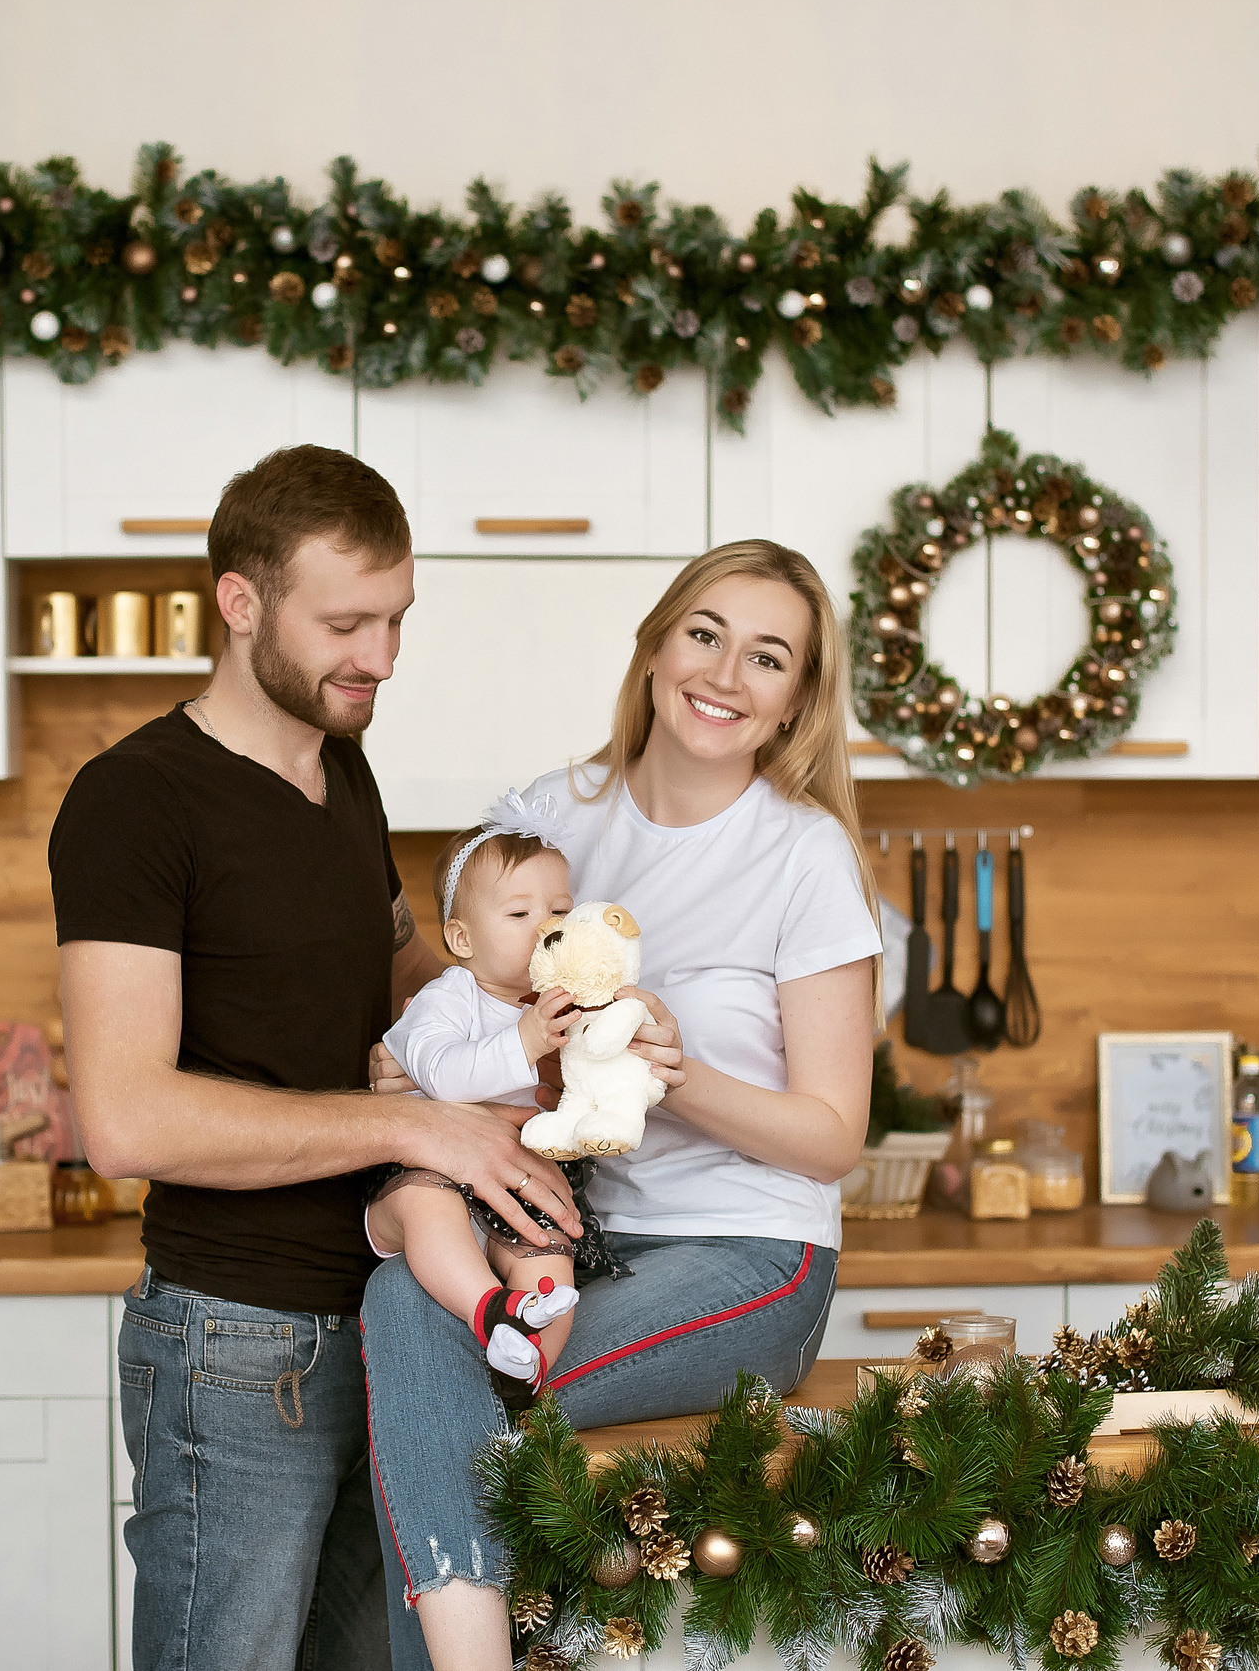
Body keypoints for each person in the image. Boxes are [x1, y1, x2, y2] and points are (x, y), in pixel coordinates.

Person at [50, 444, 583, 1671]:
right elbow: (125, 1118)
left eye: (397, 619)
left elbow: (410, 979)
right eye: (346, 624)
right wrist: (412, 1123)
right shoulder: (135, 801)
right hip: (239, 1345)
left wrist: (551, 1027)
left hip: (389, 1323)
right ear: (240, 602)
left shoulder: (339, 763)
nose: (380, 658)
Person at [360, 538, 882, 1671]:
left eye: (767, 657)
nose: (725, 674)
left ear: (796, 701)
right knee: (405, 1300)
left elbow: (833, 1136)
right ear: (654, 649)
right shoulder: (551, 815)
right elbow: (466, 984)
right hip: (565, 1229)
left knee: (452, 1393)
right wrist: (422, 1062)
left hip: (747, 1252)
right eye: (705, 634)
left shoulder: (805, 856)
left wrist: (674, 1071)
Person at [367, 801, 589, 1409]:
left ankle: (526, 1366)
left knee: (552, 1254)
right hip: (431, 1181)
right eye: (519, 913)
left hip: (519, 1187)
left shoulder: (562, 1006)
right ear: (461, 937)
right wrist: (527, 1041)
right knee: (427, 1205)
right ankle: (489, 1310)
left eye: (560, 912)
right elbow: (441, 1075)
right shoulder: (446, 999)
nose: (546, 929)